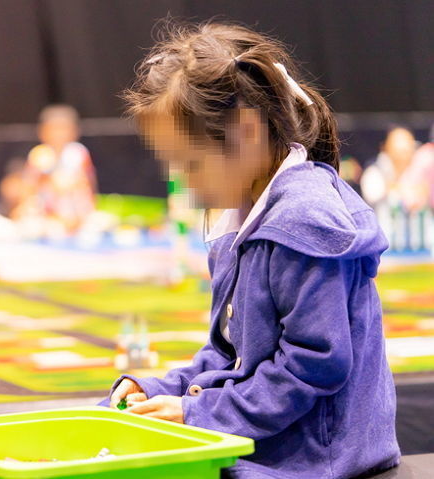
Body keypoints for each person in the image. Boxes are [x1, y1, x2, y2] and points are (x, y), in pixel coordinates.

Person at [101, 22, 399, 478]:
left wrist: (197, 414)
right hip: (279, 441)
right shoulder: (238, 221)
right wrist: (158, 388)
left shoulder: (303, 219)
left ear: (246, 130)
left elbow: (313, 367)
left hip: (320, 460)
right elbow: (230, 358)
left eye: (191, 163)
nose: (183, 182)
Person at [19, 105, 97, 237]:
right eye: (54, 129)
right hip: (46, 217)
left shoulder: (78, 153)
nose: (59, 134)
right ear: (42, 132)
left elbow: (87, 187)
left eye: (63, 129)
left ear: (74, 132)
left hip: (76, 215)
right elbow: (28, 188)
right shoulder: (39, 155)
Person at [360, 127, 419, 250]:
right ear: (386, 147)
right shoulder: (375, 171)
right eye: (399, 146)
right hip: (382, 247)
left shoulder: (417, 172)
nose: (405, 150)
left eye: (409, 145)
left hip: (415, 247)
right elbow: (372, 195)